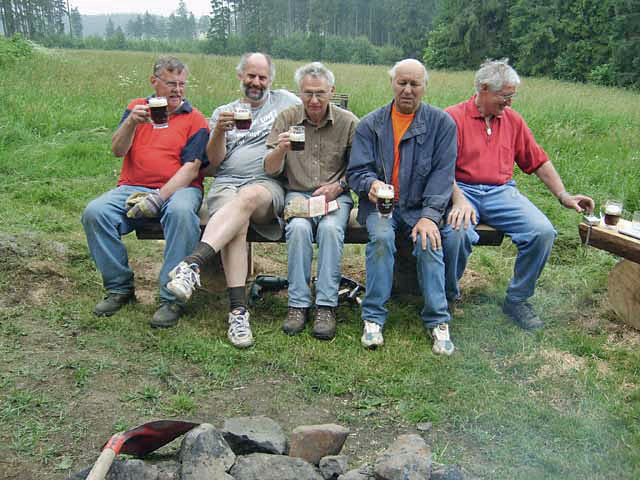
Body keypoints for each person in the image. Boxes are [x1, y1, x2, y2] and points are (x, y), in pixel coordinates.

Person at [442, 59, 594, 329]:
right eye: (505, 96)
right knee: (457, 235)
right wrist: (458, 199)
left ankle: (517, 299)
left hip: (501, 192)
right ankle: (447, 296)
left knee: (542, 232)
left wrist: (564, 195)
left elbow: (538, 161)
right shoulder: (452, 117)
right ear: (484, 88)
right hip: (461, 190)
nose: (509, 103)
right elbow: (440, 167)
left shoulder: (512, 120)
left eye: (512, 96)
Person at [165, 53, 300, 348]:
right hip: (226, 183)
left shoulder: (286, 102)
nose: (256, 82)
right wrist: (218, 132)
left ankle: (192, 264)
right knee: (236, 223)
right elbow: (213, 164)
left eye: (262, 77)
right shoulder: (223, 112)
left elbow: (320, 102)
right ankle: (238, 313)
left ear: (271, 80)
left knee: (247, 198)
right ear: (240, 76)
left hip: (266, 185)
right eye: (251, 76)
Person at [82, 56, 209, 326]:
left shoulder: (195, 119)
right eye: (171, 83)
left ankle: (171, 298)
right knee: (95, 213)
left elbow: (191, 169)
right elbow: (117, 150)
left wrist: (158, 197)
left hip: (180, 188)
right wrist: (131, 123)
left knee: (181, 213)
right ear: (154, 82)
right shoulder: (136, 108)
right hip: (133, 186)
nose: (178, 90)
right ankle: (119, 288)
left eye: (182, 84)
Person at [347, 59, 457, 355]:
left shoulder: (442, 124)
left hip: (420, 206)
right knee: (382, 239)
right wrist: (369, 183)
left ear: (425, 87)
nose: (408, 90)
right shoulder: (370, 124)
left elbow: (443, 176)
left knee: (429, 240)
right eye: (402, 83)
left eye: (414, 84)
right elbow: (356, 171)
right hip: (380, 207)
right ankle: (373, 317)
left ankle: (438, 319)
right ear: (392, 84)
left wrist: (430, 216)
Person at [264, 62, 359, 340]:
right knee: (298, 228)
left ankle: (326, 306)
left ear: (332, 91)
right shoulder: (287, 118)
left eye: (320, 93)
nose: (314, 100)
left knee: (330, 229)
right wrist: (281, 149)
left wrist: (338, 186)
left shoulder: (348, 122)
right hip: (298, 193)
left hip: (336, 195)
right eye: (308, 93)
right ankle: (298, 304)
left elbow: (360, 169)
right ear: (300, 92)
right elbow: (269, 169)